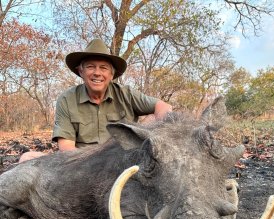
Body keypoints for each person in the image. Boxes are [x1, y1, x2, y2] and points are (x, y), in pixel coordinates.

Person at [19, 38, 172, 161]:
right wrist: (95, 163)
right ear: (81, 71)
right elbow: (66, 148)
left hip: (121, 160)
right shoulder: (66, 99)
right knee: (27, 158)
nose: (97, 73)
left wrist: (142, 134)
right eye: (91, 67)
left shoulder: (126, 94)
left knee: (153, 118)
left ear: (112, 75)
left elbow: (164, 107)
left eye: (103, 68)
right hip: (80, 162)